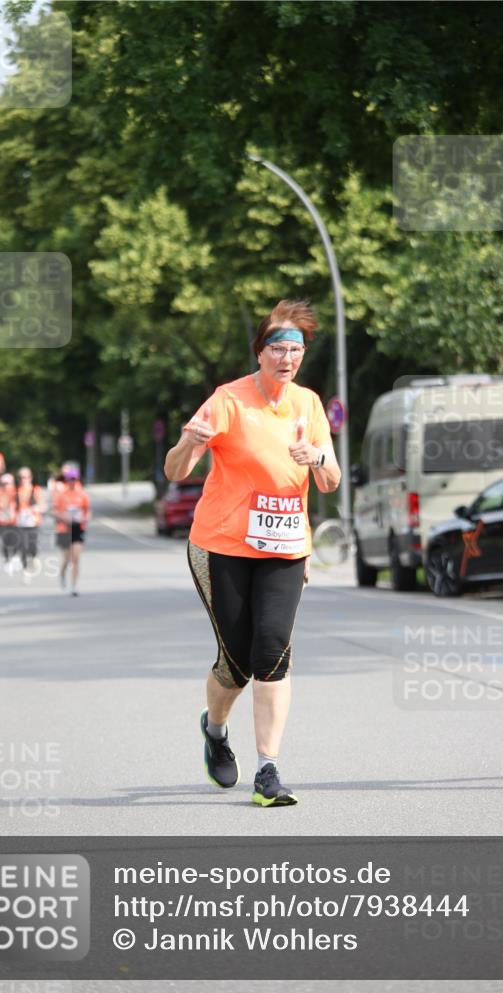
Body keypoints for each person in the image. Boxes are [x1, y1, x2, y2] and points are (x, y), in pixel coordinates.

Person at [164, 299, 340, 806]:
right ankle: (216, 731)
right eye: (278, 348)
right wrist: (188, 442)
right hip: (222, 545)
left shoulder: (307, 404)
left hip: (286, 546)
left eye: (296, 350)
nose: (288, 358)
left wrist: (318, 457)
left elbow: (331, 477)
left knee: (272, 651)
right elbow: (177, 471)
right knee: (237, 661)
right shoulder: (227, 400)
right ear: (259, 352)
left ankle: (268, 770)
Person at [52, 469, 90, 596]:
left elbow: (87, 511)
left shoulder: (82, 494)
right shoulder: (61, 495)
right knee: (67, 558)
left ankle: (74, 586)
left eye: (74, 479)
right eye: (70, 479)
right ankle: (62, 574)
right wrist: (64, 518)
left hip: (78, 527)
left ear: (77, 480)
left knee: (76, 558)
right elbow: (54, 512)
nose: (72, 481)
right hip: (64, 529)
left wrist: (86, 518)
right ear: (66, 480)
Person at [15, 467, 46, 577]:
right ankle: (25, 569)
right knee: (22, 546)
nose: (24, 479)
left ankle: (33, 557)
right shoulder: (16, 491)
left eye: (26, 477)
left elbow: (43, 506)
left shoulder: (35, 490)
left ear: (30, 478)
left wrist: (36, 508)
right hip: (20, 523)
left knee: (32, 546)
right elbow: (10, 506)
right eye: (21, 477)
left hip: (33, 522)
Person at [0, 473, 18, 572]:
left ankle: (14, 556)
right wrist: (1, 508)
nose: (6, 485)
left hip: (15, 521)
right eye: (4, 483)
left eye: (8, 483)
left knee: (16, 540)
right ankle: (7, 560)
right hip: (2, 522)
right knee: (5, 542)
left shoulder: (17, 493)